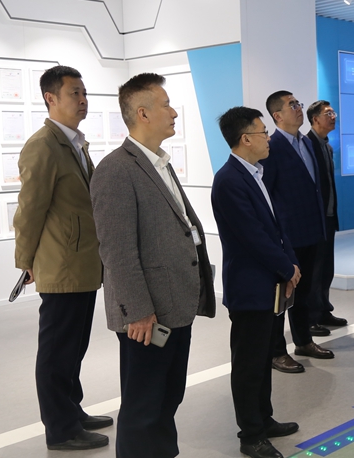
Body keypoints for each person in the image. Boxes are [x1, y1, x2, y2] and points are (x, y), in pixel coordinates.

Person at [90, 73, 216, 458]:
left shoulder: (160, 163)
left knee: (168, 396)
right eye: (166, 105)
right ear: (143, 113)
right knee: (143, 404)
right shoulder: (116, 169)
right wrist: (139, 311)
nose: (174, 112)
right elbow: (117, 251)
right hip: (148, 315)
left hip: (174, 304)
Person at [12, 65, 111, 451]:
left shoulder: (75, 143)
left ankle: (73, 412)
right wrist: (26, 261)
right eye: (74, 93)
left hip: (82, 262)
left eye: (84, 93)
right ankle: (61, 429)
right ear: (50, 98)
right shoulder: (43, 145)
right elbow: (30, 209)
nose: (83, 100)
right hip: (62, 265)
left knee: (74, 347)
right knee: (57, 352)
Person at [212, 107, 300, 458]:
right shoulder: (229, 180)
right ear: (245, 138)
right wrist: (286, 268)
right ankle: (250, 435)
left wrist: (290, 262)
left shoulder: (255, 173)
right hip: (249, 286)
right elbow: (252, 237)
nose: (268, 139)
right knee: (249, 364)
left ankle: (264, 419)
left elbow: (276, 227)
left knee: (263, 358)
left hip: (268, 283)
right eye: (263, 132)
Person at [262, 91, 334, 373]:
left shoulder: (307, 142)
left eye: (298, 104)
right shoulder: (272, 146)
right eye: (291, 105)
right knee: (283, 295)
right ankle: (276, 351)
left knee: (304, 292)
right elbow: (268, 194)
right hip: (288, 235)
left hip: (312, 231)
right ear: (277, 115)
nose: (298, 108)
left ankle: (303, 341)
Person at [306, 100, 348, 334]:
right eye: (328, 113)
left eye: (333, 112)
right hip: (314, 219)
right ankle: (310, 318)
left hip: (328, 216)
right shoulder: (306, 145)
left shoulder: (327, 146)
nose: (333, 117)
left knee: (326, 268)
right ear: (315, 119)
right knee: (313, 269)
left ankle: (323, 310)